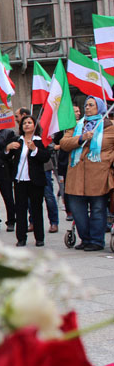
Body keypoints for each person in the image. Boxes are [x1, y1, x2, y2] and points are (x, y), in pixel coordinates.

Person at [61, 96, 114, 252]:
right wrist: (82, 138)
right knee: (78, 211)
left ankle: (97, 241)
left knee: (98, 209)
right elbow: (64, 144)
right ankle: (85, 239)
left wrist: (109, 159)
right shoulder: (76, 125)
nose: (87, 107)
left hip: (99, 175)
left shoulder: (110, 127)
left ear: (100, 107)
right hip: (76, 176)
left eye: (91, 105)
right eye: (86, 105)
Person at [4, 115, 50, 247]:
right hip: (20, 180)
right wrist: (8, 148)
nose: (27, 125)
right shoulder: (17, 140)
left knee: (36, 209)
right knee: (20, 209)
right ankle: (21, 238)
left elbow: (46, 157)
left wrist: (35, 149)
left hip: (35, 181)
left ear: (35, 125)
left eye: (30, 122)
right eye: (24, 123)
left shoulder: (40, 141)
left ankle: (39, 237)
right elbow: (4, 157)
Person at [55, 104, 82, 222]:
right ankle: (69, 211)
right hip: (65, 162)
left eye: (78, 111)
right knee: (66, 187)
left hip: (80, 161)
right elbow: (56, 141)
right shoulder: (63, 128)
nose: (78, 113)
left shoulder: (84, 126)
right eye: (75, 111)